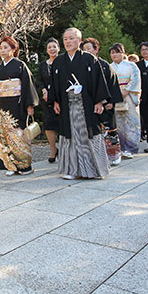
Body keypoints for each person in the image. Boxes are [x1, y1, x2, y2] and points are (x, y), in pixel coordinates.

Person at [48, 28, 111, 180]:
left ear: (80, 41)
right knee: (69, 137)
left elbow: (98, 82)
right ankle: (71, 170)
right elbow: (54, 84)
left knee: (88, 135)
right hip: (66, 104)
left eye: (72, 38)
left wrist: (99, 102)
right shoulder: (58, 62)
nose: (68, 42)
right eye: (65, 39)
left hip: (86, 105)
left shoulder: (90, 59)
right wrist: (55, 101)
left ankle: (94, 170)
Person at [0, 36, 39, 175]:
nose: (2, 50)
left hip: (18, 104)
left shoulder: (20, 65)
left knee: (19, 135)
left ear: (14, 49)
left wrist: (29, 105)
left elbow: (27, 86)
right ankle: (10, 166)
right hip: (3, 105)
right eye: (1, 48)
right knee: (5, 136)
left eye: (6, 47)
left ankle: (24, 166)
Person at [81, 38, 124, 166]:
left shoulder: (104, 65)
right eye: (84, 49)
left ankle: (114, 154)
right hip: (89, 104)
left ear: (96, 49)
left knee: (109, 129)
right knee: (91, 131)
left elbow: (112, 84)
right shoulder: (82, 66)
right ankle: (93, 156)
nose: (86, 51)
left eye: (89, 48)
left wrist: (111, 101)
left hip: (105, 103)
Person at [109, 43, 142, 158]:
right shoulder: (109, 67)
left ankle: (131, 148)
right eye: (113, 53)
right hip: (116, 95)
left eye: (117, 52)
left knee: (132, 122)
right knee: (119, 123)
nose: (115, 55)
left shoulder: (131, 66)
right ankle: (122, 147)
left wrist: (127, 90)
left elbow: (135, 79)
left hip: (129, 95)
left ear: (123, 53)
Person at [38, 38, 61, 163]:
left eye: (54, 47)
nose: (52, 49)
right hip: (47, 100)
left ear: (58, 48)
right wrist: (44, 90)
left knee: (61, 124)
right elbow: (40, 80)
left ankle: (64, 149)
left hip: (61, 98)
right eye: (49, 47)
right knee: (48, 124)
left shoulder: (63, 61)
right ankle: (53, 149)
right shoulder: (43, 65)